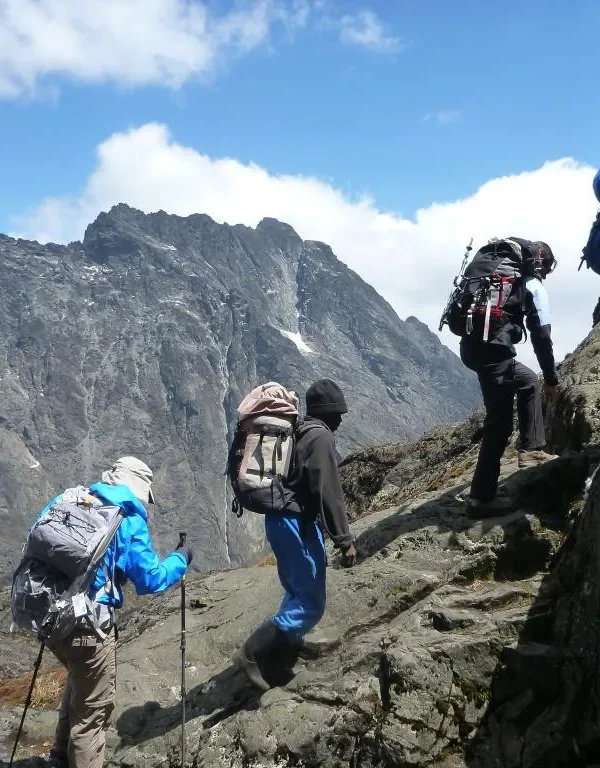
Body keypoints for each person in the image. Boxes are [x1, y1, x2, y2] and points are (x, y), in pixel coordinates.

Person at [47, 456, 192, 768]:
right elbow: (151, 579)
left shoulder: (71, 500)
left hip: (49, 615)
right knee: (91, 715)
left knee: (79, 680)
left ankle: (59, 757)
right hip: (88, 625)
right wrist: (181, 559)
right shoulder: (128, 521)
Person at [232, 378, 357, 691]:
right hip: (294, 523)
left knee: (296, 591)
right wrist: (344, 540)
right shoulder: (321, 438)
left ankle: (279, 663)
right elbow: (328, 492)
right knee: (310, 602)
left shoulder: (298, 431)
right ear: (329, 413)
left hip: (281, 521)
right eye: (339, 413)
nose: (341, 419)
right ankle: (251, 655)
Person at [460, 241, 559, 517]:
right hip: (493, 350)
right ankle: (480, 500)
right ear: (541, 264)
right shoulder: (532, 285)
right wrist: (552, 379)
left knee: (527, 380)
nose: (545, 276)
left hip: (472, 346)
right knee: (499, 424)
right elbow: (542, 336)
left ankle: (530, 449)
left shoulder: (494, 271)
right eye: (546, 270)